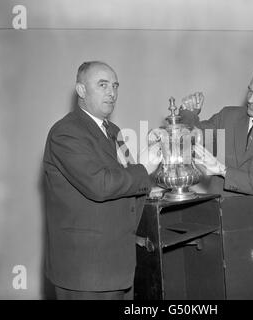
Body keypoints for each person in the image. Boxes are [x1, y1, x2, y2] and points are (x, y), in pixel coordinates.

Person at [43, 61, 161, 300]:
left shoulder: (113, 130)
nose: (112, 92)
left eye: (115, 86)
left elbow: (126, 178)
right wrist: (143, 169)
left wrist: (150, 184)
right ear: (81, 90)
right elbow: (101, 185)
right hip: (86, 271)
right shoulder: (66, 132)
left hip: (117, 265)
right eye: (103, 85)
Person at [179, 64, 253, 197]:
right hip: (217, 211)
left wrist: (222, 170)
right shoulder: (228, 116)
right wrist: (189, 113)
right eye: (250, 91)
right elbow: (191, 140)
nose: (250, 99)